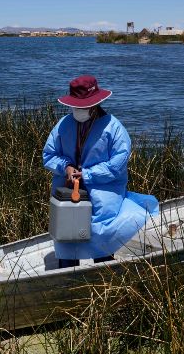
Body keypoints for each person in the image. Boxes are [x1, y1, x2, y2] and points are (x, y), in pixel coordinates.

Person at [42, 75, 159, 268]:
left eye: (82, 106)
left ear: (96, 104)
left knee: (101, 241)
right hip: (68, 192)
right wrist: (66, 167)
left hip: (104, 194)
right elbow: (48, 155)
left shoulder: (114, 128)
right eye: (75, 106)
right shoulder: (63, 124)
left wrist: (88, 174)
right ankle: (67, 278)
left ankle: (104, 277)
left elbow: (117, 165)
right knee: (67, 238)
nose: (78, 110)